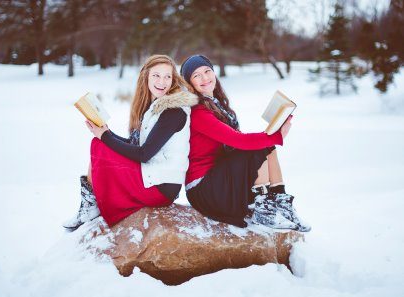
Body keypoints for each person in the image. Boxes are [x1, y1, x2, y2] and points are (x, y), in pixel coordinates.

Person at [63, 55, 198, 231]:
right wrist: (106, 133)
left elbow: (144, 154)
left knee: (100, 145)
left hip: (161, 187)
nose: (162, 81)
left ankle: (91, 206)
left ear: (173, 80)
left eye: (167, 76)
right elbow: (138, 147)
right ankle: (91, 204)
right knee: (100, 144)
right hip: (153, 176)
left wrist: (105, 137)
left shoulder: (173, 111)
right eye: (156, 75)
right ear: (146, 77)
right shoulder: (157, 107)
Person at [180, 54, 310, 232]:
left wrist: (272, 133)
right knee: (256, 148)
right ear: (190, 83)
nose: (205, 78)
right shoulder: (198, 112)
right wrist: (275, 136)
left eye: (207, 71)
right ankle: (263, 208)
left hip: (219, 177)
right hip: (203, 188)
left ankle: (281, 203)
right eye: (196, 75)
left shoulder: (216, 104)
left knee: (265, 147)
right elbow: (238, 141)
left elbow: (236, 142)